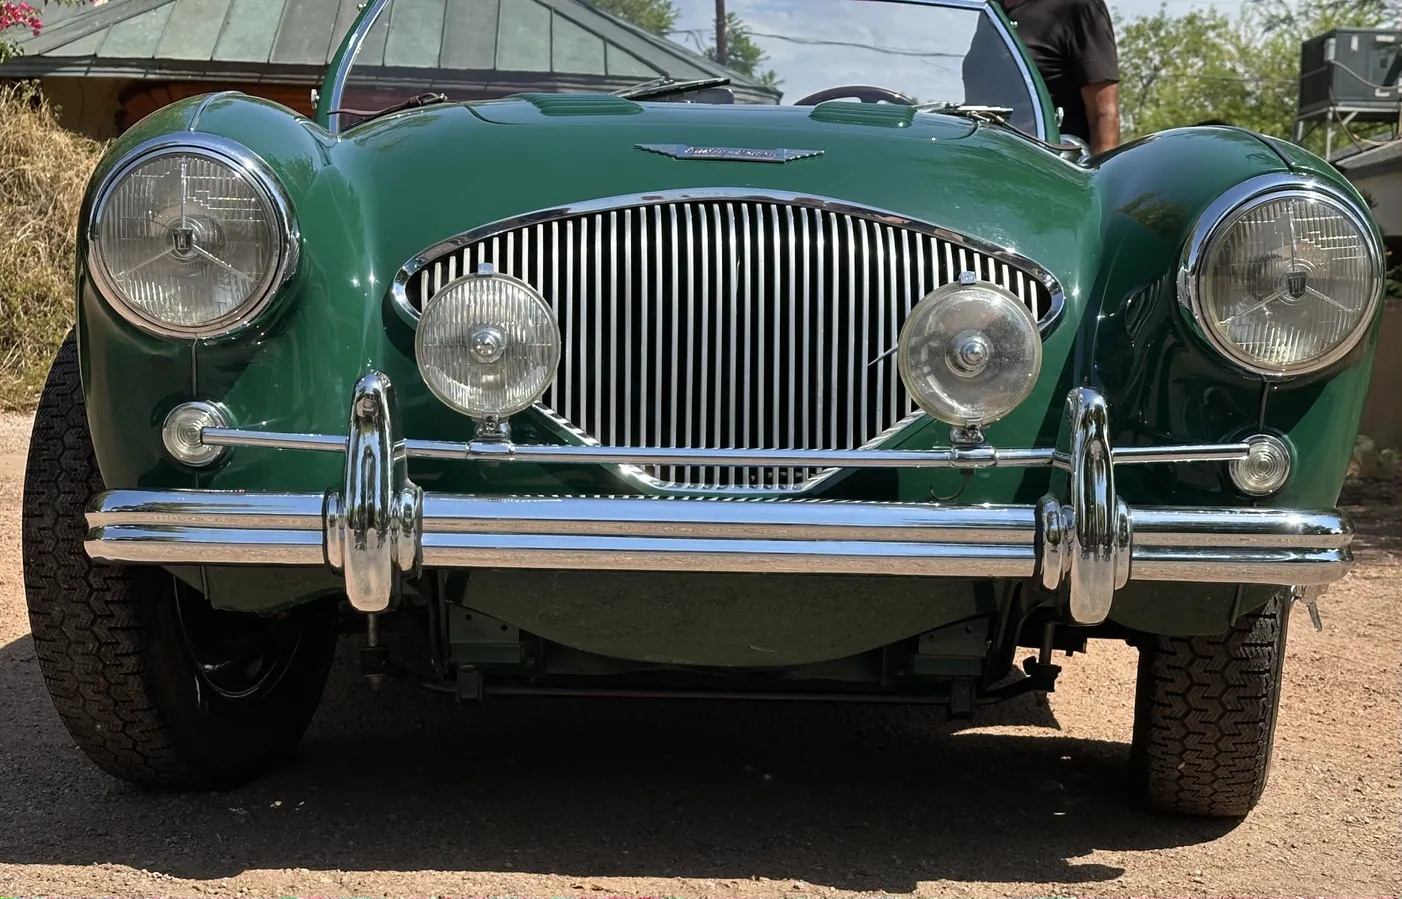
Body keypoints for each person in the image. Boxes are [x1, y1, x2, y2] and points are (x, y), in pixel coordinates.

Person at [998, 0, 1121, 154]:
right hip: (987, 161)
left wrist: (1099, 175)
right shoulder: (990, 10)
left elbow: (1103, 114)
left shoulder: (1079, 5)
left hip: (1048, 165)